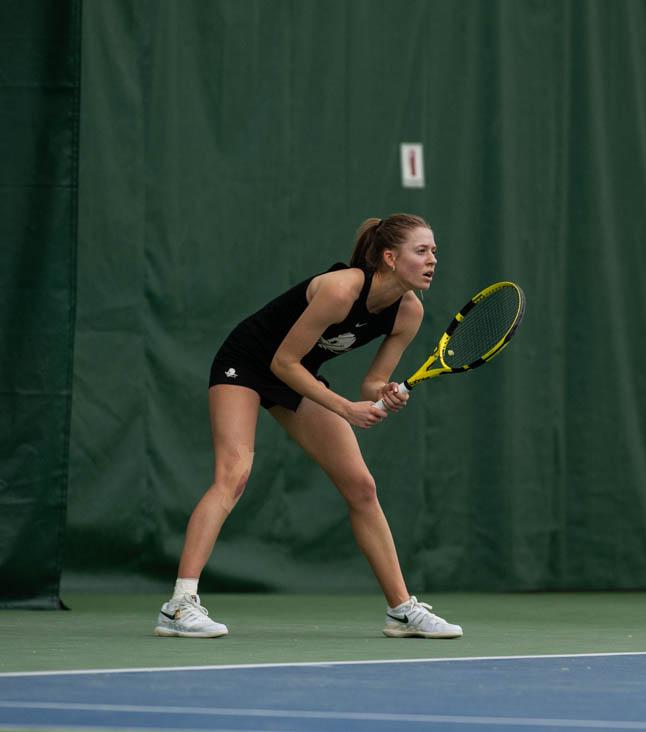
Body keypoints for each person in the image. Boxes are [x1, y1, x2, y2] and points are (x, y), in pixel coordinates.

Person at [154, 213, 461, 640]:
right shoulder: (341, 288)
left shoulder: (408, 312)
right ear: (390, 257)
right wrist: (346, 409)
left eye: (434, 252)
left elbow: (371, 382)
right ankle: (179, 605)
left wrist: (385, 391)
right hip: (247, 363)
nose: (432, 260)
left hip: (297, 374)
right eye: (422, 251)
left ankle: (401, 610)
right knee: (234, 474)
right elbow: (282, 361)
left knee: (361, 487)